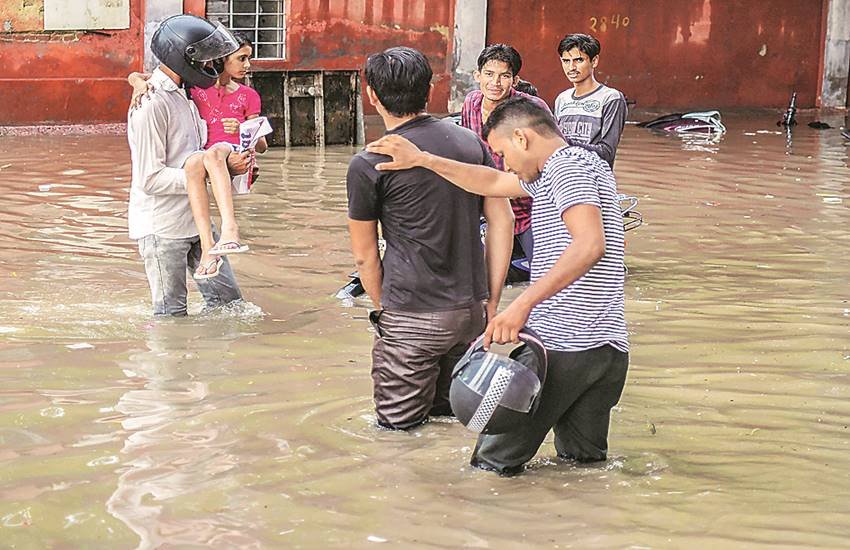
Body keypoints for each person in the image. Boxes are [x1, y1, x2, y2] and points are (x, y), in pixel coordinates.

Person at [366, 97, 629, 474]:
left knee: (490, 465)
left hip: (561, 345)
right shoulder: (588, 163)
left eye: (503, 152)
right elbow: (491, 181)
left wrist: (521, 305)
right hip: (606, 350)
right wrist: (424, 159)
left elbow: (589, 244)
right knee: (581, 468)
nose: (505, 163)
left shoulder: (565, 168)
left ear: (522, 138)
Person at [347, 47, 514, 430]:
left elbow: (364, 257)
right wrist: (490, 300)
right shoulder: (470, 144)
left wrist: (385, 311)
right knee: (457, 423)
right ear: (430, 90)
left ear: (372, 94)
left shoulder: (369, 163)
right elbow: (502, 223)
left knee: (397, 436)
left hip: (410, 314)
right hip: (470, 312)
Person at [128, 14, 249, 315]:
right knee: (171, 315)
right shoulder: (151, 104)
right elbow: (150, 178)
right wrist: (209, 175)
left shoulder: (187, 97)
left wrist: (230, 169)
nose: (211, 66)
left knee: (230, 305)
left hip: (197, 222)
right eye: (206, 60)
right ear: (184, 57)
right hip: (163, 227)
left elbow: (201, 155)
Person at [461, 43, 552, 262]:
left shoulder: (532, 107)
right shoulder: (471, 103)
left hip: (531, 208)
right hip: (490, 206)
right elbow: (467, 152)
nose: (495, 83)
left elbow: (554, 159)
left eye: (504, 76)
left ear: (515, 80)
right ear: (477, 75)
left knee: (546, 273)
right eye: (489, 74)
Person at [554, 33, 627, 168]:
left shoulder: (611, 98)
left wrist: (563, 143)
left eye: (579, 60)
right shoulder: (561, 99)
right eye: (566, 61)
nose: (571, 68)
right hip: (564, 180)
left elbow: (607, 153)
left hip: (594, 181)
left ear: (594, 61)